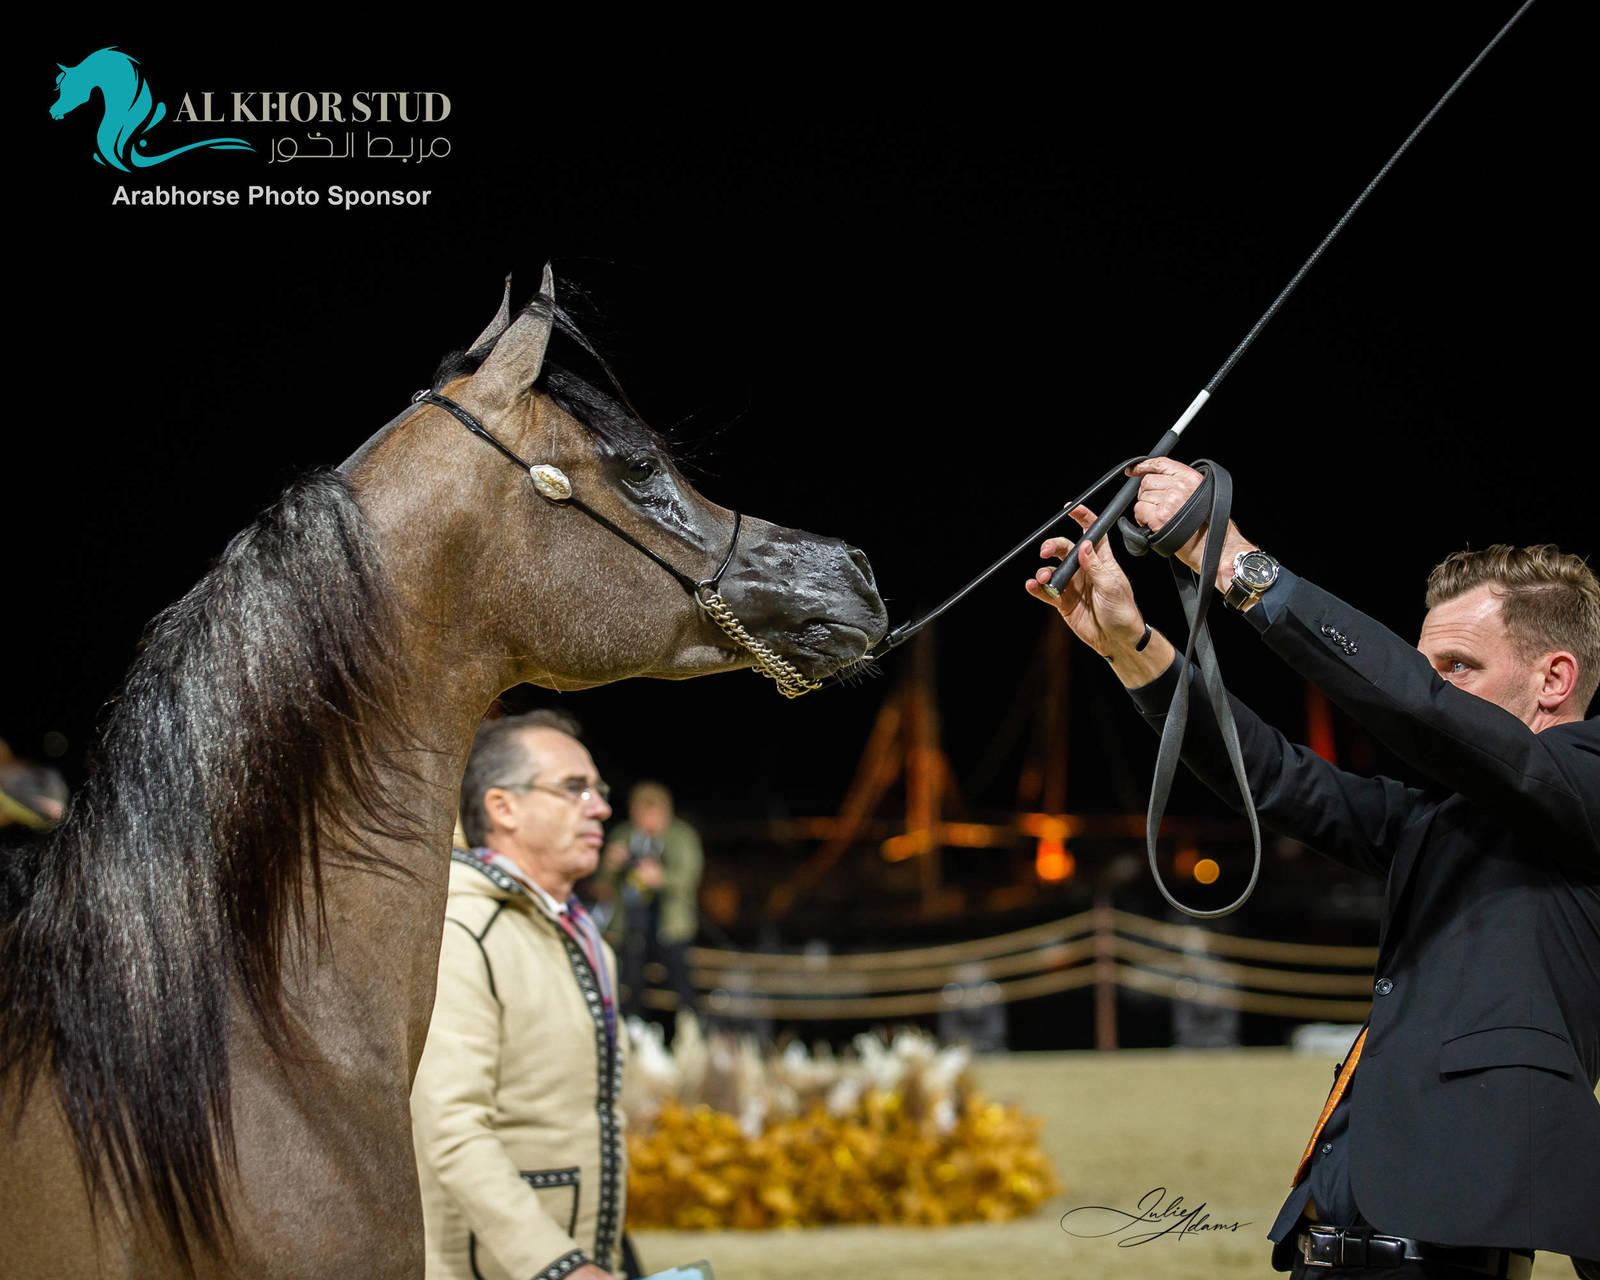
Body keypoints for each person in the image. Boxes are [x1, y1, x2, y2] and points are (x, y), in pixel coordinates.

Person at [1027, 458, 1600, 1279]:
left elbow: (1413, 707)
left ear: (1554, 679)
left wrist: (1231, 559)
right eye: (1426, 665)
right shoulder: (1441, 816)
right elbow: (1277, 777)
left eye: (1456, 668)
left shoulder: (1589, 782)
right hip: (1329, 1248)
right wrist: (1132, 647)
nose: (1427, 685)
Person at [411, 710, 626, 1280]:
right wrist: (559, 1265)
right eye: (574, 788)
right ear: (503, 808)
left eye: (599, 790)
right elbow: (451, 1131)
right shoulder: (460, 931)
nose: (600, 808)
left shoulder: (582, 936)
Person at [597, 781, 703, 1024]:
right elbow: (603, 884)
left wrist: (660, 878)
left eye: (651, 812)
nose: (645, 820)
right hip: (629, 924)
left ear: (665, 812)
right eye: (639, 813)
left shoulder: (681, 836)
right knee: (629, 980)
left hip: (670, 924)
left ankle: (686, 1029)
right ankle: (634, 1028)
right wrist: (610, 864)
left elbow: (688, 878)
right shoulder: (624, 835)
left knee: (679, 981)